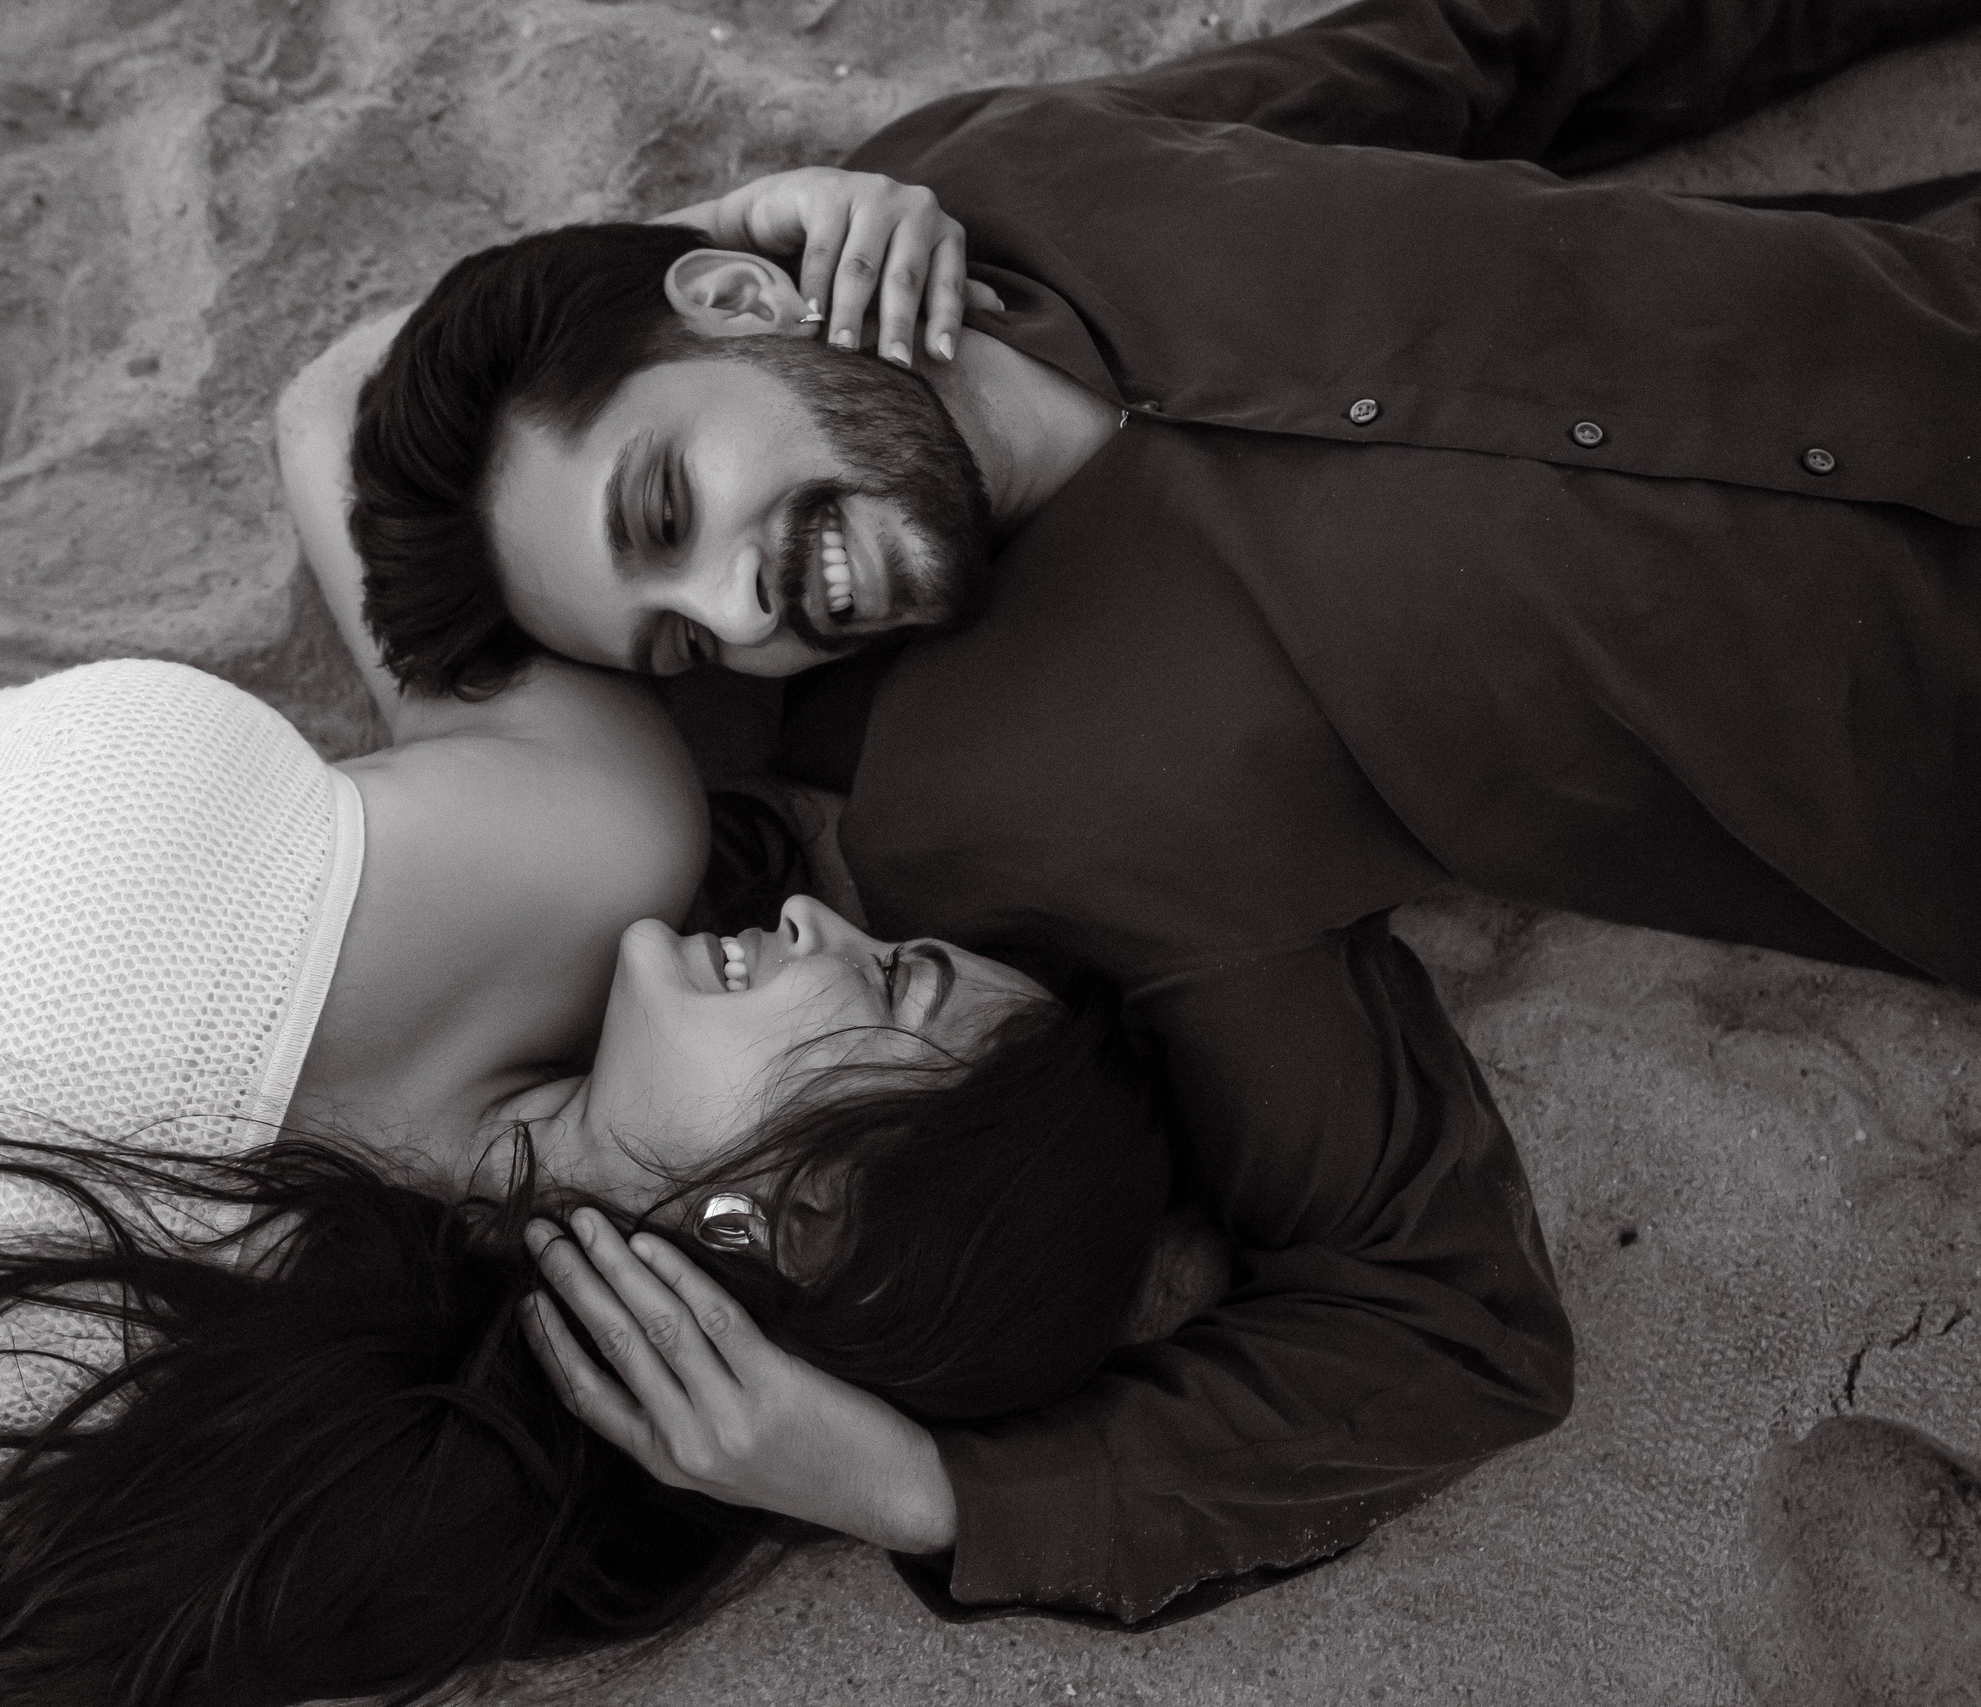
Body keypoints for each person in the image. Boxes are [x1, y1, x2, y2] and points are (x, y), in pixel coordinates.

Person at [343, 0, 1978, 1631]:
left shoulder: (997, 170)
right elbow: (1440, 1324)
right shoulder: (1020, 810)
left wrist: (747, 210)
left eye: (666, 507)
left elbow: (1500, 53)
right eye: (682, 647)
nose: (738, 606)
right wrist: (935, 1495)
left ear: (734, 298)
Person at [0, 276, 1172, 1706]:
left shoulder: (303, 1491)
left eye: (890, 989)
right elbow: (356, 405)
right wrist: (727, 271)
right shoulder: (582, 845)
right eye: (896, 943)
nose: (819, 917)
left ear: (796, 1226)